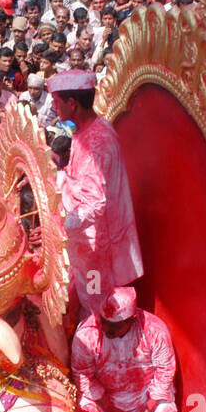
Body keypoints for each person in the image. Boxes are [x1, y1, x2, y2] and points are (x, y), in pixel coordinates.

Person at [49, 70, 143, 313]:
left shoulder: (97, 142)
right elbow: (77, 179)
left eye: (56, 102)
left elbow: (94, 203)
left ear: (72, 103)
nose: (53, 107)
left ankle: (96, 346)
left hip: (96, 247)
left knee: (96, 305)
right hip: (85, 242)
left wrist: (58, 227)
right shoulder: (87, 130)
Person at [70, 286, 184, 412]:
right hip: (105, 398)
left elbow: (165, 372)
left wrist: (147, 411)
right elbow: (82, 376)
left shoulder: (155, 331)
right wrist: (113, 410)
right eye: (103, 322)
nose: (105, 329)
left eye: (113, 328)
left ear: (131, 320)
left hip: (145, 395)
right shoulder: (86, 335)